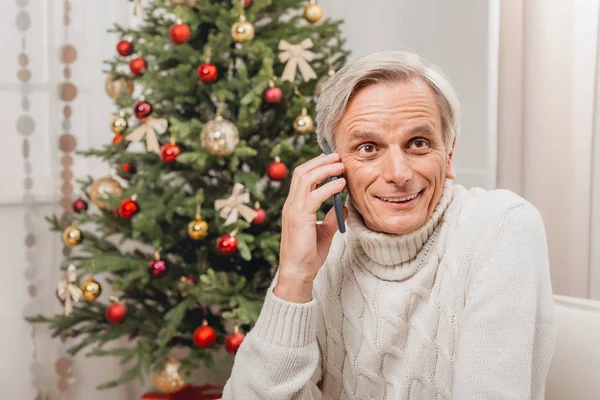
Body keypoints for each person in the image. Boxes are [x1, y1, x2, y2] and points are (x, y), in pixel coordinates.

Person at [222, 51, 556, 399]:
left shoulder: (500, 227)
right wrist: (294, 277)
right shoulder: (320, 249)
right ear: (334, 165)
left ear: (449, 153)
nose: (398, 174)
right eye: (368, 148)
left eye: (419, 143)